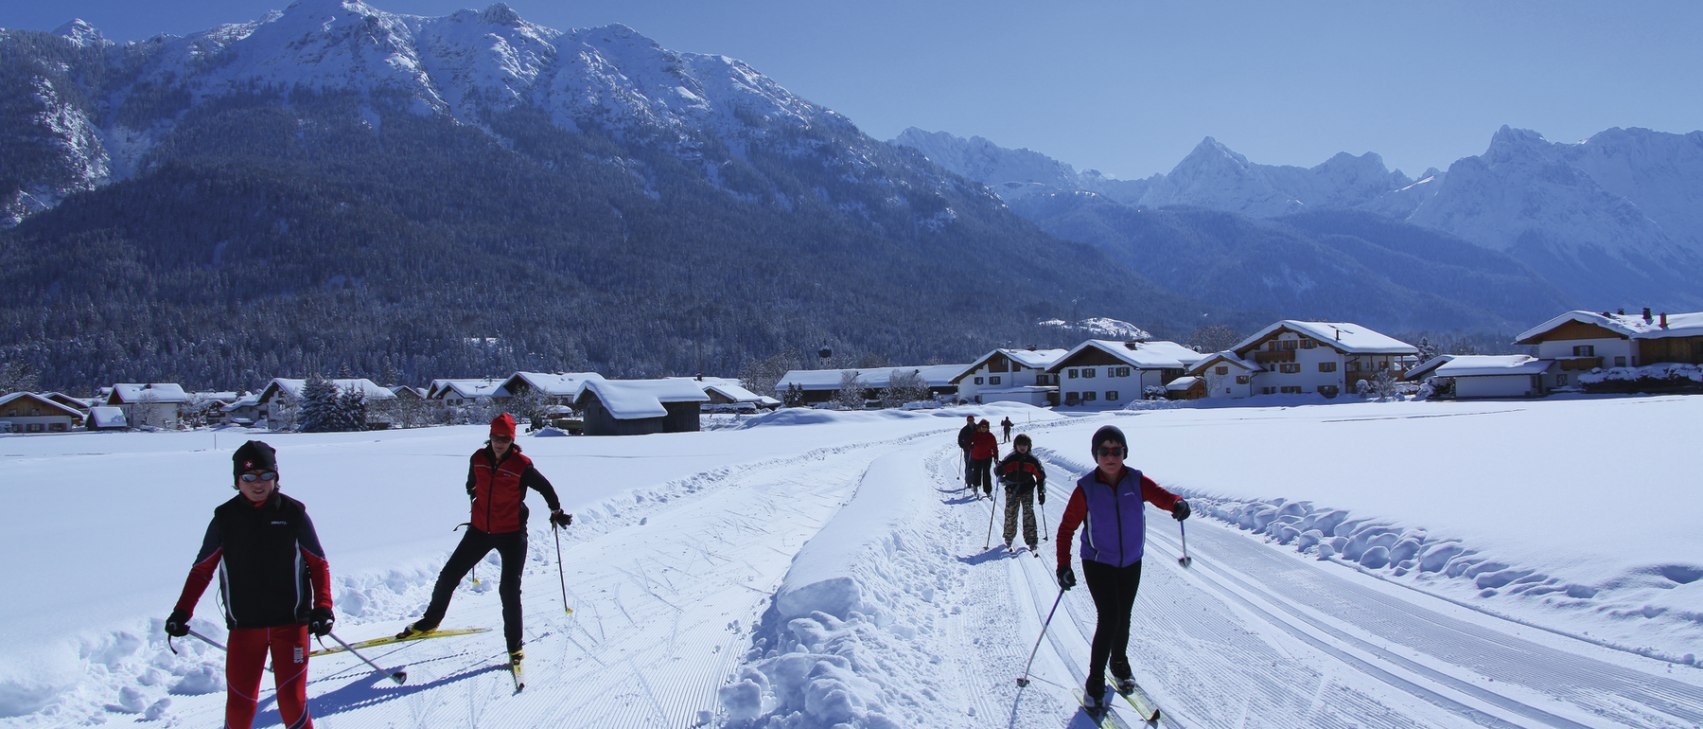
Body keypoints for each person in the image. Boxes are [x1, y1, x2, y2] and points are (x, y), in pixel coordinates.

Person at [165, 440, 333, 729]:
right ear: (237, 481)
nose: (258, 484)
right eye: (249, 477)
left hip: (291, 626)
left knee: (292, 703)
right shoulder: (225, 519)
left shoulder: (293, 514)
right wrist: (182, 612)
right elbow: (202, 570)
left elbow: (318, 564)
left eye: (266, 475)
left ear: (276, 477)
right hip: (245, 628)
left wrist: (323, 607)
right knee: (239, 709)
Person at [397, 413, 572, 669]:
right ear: (489, 437)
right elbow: (471, 484)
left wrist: (556, 511)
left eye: (504, 438)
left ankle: (515, 646)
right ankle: (430, 622)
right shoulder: (477, 459)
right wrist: (474, 495)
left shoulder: (521, 465)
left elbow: (545, 488)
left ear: (511, 440)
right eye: (495, 437)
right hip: (479, 531)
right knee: (448, 576)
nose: (499, 442)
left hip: (512, 534)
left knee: (509, 591)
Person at [1054, 425, 1190, 714]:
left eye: (1117, 450)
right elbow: (1066, 529)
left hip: (1130, 562)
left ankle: (1119, 664)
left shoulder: (1136, 481)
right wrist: (1063, 565)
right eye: (1104, 451)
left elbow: (1162, 496)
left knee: (1123, 617)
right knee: (1110, 617)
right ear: (1096, 455)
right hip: (1098, 562)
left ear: (1124, 453)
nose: (1111, 456)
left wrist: (1177, 504)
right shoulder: (1086, 488)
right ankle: (1094, 683)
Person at [997, 433, 1046, 551]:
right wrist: (998, 469)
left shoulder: (1033, 461)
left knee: (1028, 514)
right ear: (1016, 446)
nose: (1022, 447)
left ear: (1029, 446)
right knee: (1010, 513)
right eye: (1020, 445)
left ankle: (1032, 540)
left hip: (1027, 490)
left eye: (1025, 445)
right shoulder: (1010, 459)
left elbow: (1040, 477)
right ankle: (1009, 537)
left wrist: (1041, 492)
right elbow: (1000, 470)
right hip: (1011, 490)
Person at [968, 419, 1000, 498]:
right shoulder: (975, 435)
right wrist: (970, 446)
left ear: (988, 428)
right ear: (980, 427)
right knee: (977, 472)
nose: (984, 428)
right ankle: (975, 486)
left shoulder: (991, 436)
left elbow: (994, 448)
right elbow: (968, 443)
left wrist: (996, 457)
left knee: (986, 473)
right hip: (976, 457)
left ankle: (988, 490)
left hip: (987, 457)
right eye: (982, 426)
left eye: (986, 427)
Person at [956, 414, 977, 489]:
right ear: (967, 421)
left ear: (974, 420)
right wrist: (963, 446)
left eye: (972, 420)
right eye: (969, 420)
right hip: (967, 451)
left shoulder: (978, 428)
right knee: (969, 465)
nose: (971, 421)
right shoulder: (964, 429)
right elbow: (960, 439)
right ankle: (968, 481)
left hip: (977, 450)